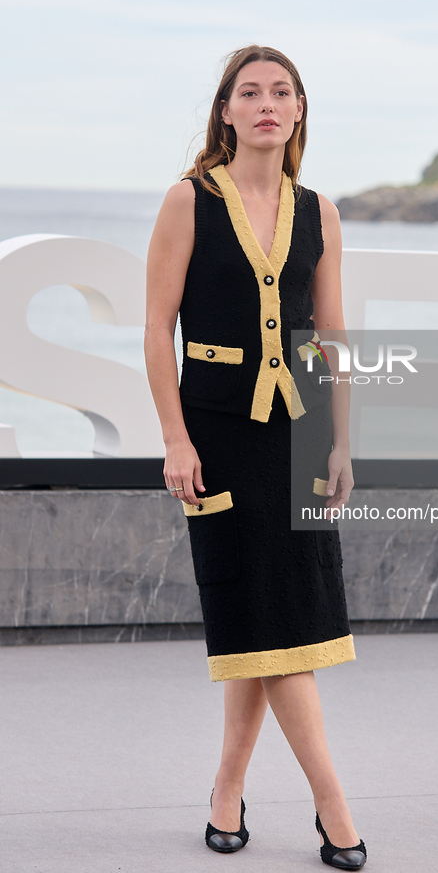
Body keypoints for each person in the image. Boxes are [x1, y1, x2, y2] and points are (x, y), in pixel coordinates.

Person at [144, 45, 366, 870]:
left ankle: (225, 791)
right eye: (250, 92)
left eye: (281, 91)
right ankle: (333, 805)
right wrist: (173, 436)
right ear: (226, 112)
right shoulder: (188, 201)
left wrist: (341, 439)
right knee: (269, 618)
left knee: (267, 622)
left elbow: (331, 337)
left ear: (299, 110)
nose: (266, 103)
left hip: (299, 434)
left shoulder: (321, 212)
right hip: (219, 438)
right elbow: (154, 328)